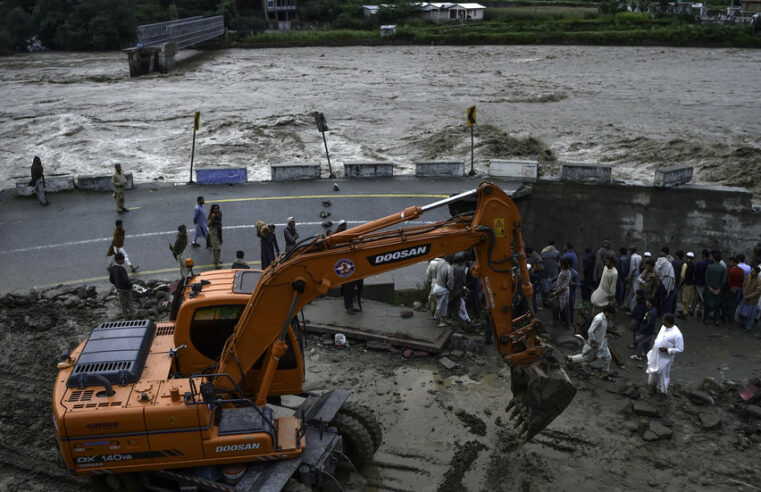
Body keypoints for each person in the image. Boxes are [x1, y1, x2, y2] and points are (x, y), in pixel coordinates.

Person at [567, 304, 615, 380]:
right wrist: (594, 341)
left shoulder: (605, 319)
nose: (611, 316)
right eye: (611, 314)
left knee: (608, 357)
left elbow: (601, 329)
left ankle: (604, 374)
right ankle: (571, 358)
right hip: (594, 344)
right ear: (607, 312)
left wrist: (604, 334)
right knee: (586, 358)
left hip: (602, 343)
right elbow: (590, 331)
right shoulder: (598, 319)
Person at [645, 313, 684, 395]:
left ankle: (663, 392)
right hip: (655, 355)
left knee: (663, 376)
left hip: (665, 359)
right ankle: (652, 388)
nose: (662, 321)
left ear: (668, 322)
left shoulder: (677, 334)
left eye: (664, 320)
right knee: (653, 372)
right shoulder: (663, 327)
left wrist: (667, 350)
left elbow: (680, 349)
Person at [108, 252, 134, 319]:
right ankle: (132, 316)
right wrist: (130, 286)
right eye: (122, 259)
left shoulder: (112, 269)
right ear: (118, 260)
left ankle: (126, 317)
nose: (123, 261)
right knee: (129, 303)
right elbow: (126, 280)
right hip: (126, 289)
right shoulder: (122, 269)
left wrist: (116, 284)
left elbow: (111, 280)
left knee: (123, 305)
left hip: (119, 289)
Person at [704, 250, 726, 325]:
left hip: (709, 290)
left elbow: (706, 278)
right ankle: (716, 320)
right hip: (718, 291)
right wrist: (719, 288)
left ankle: (705, 319)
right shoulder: (723, 269)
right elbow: (723, 281)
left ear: (714, 259)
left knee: (707, 305)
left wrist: (709, 287)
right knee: (717, 306)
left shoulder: (709, 267)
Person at [550, 258, 572, 328]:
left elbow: (564, 287)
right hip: (563, 292)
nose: (557, 264)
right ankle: (566, 323)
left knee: (556, 307)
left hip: (562, 293)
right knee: (565, 308)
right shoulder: (567, 271)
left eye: (559, 263)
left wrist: (555, 293)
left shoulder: (563, 273)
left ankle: (556, 322)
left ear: (562, 265)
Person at [738, 266, 761, 331]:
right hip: (745, 298)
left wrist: (748, 296)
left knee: (750, 316)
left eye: (753, 271)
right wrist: (744, 293)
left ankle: (748, 327)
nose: (752, 272)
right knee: (743, 313)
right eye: (752, 270)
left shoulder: (759, 281)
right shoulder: (748, 276)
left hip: (752, 301)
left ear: (757, 273)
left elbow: (757, 292)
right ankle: (744, 324)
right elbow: (744, 284)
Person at [432, 256, 453, 327]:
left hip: (437, 286)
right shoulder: (449, 268)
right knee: (440, 305)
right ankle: (437, 322)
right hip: (443, 289)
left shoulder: (439, 263)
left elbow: (435, 272)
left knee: (444, 304)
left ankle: (444, 319)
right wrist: (450, 288)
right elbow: (450, 281)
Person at [655, 247, 676, 314]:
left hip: (660, 283)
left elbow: (656, 272)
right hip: (667, 284)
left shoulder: (658, 262)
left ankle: (659, 312)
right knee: (666, 299)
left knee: (658, 298)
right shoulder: (669, 263)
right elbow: (671, 276)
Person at [691, 249, 711, 318]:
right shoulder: (711, 263)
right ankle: (699, 310)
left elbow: (696, 273)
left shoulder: (700, 263)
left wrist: (694, 282)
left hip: (699, 283)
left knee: (696, 298)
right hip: (706, 284)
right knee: (703, 298)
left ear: (703, 255)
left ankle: (692, 310)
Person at [724, 256, 744, 324]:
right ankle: (731, 319)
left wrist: (731, 288)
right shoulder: (741, 270)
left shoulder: (731, 270)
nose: (730, 263)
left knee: (726, 303)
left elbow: (729, 281)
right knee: (733, 305)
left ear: (735, 263)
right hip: (737, 290)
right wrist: (737, 288)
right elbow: (741, 281)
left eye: (731, 262)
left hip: (730, 289)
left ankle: (724, 317)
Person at [540, 240, 560, 307]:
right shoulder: (557, 253)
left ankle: (544, 302)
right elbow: (558, 263)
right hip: (554, 274)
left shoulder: (543, 252)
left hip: (544, 273)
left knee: (544, 289)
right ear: (554, 245)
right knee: (553, 288)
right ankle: (551, 303)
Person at [626, 246, 642, 311]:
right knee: (635, 292)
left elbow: (632, 269)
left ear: (631, 251)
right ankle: (631, 307)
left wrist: (629, 278)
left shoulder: (632, 257)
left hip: (633, 277)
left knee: (632, 293)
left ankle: (632, 308)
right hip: (638, 277)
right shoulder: (640, 257)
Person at [207, 204, 223, 268]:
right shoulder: (210, 215)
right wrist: (212, 219)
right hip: (213, 233)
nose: (216, 210)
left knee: (217, 248)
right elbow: (208, 224)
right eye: (215, 208)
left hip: (219, 232)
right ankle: (216, 264)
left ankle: (217, 260)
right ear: (212, 209)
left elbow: (220, 221)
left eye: (217, 208)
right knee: (217, 248)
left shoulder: (219, 213)